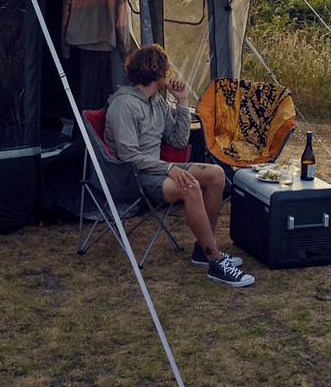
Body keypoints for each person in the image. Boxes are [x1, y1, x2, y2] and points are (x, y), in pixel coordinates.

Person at [104, 44, 255, 287]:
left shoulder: (157, 103)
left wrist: (182, 102)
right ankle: (215, 261)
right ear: (157, 73)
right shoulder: (124, 105)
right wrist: (168, 168)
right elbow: (128, 156)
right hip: (134, 176)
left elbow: (178, 140)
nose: (169, 75)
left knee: (216, 175)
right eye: (166, 69)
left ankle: (202, 250)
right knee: (190, 186)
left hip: (159, 169)